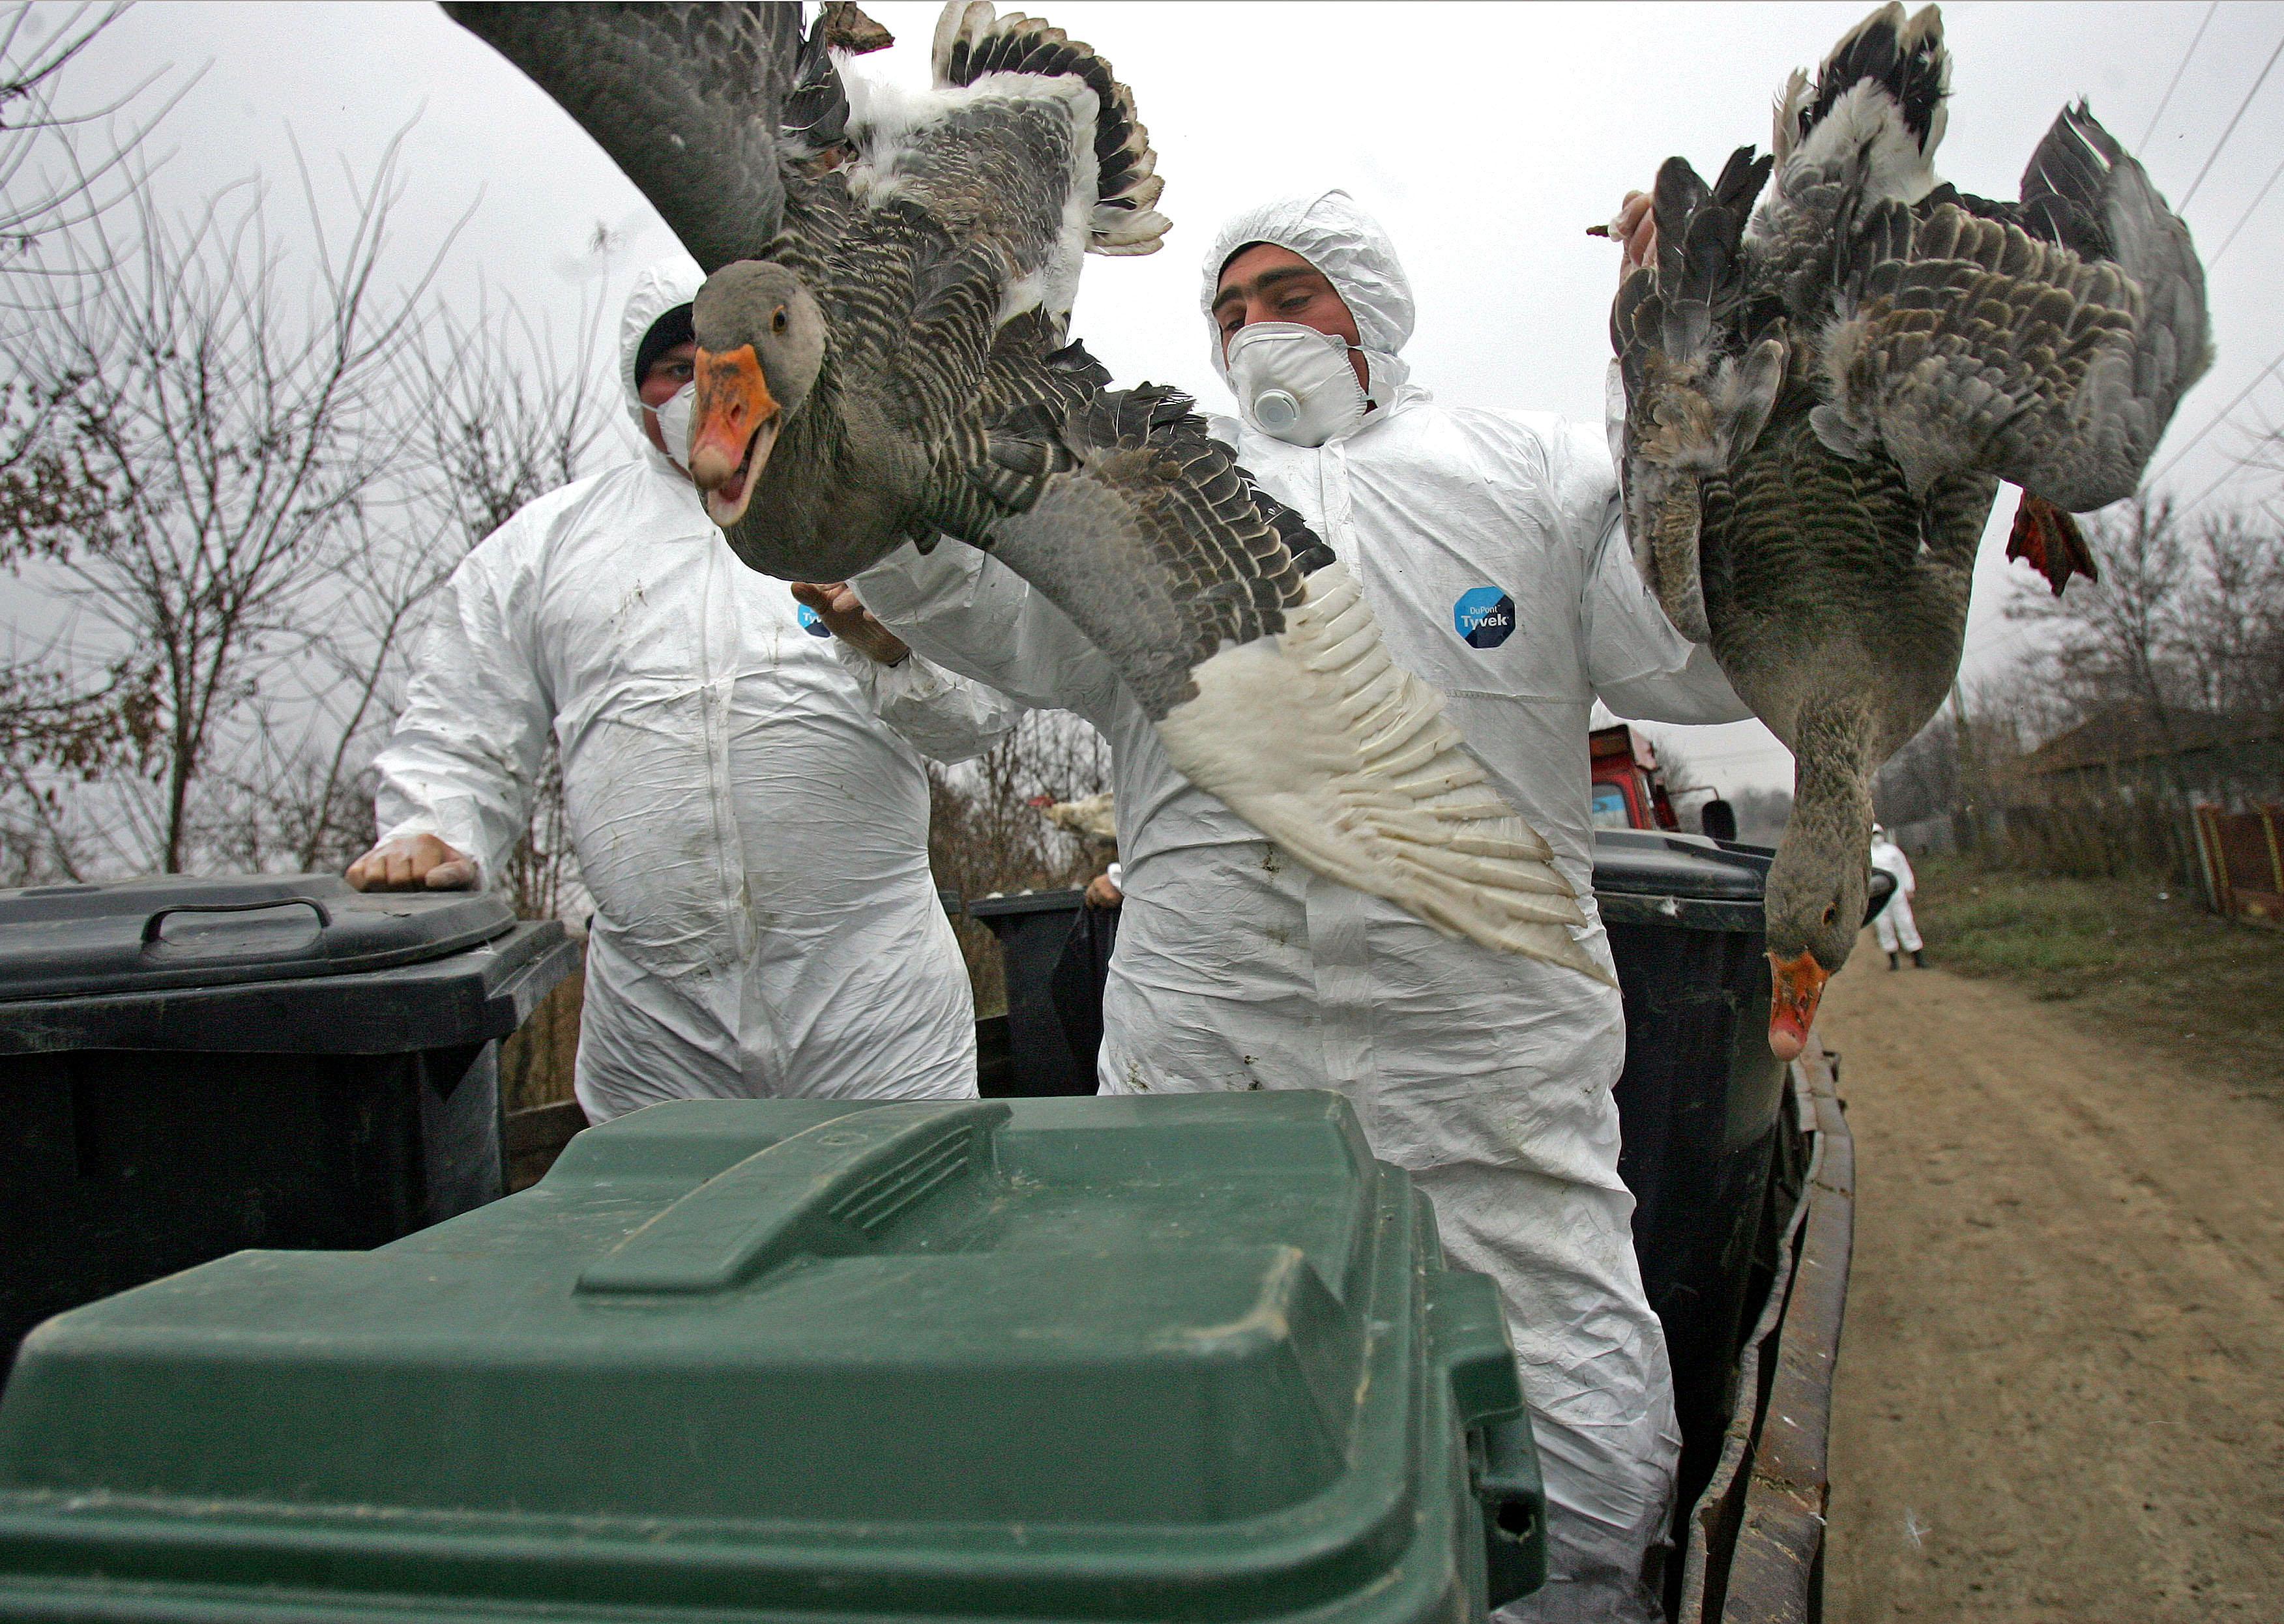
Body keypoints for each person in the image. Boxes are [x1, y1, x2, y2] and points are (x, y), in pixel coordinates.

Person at [836, 191, 1753, 1623]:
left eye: (1289, 293)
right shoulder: (1151, 492)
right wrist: (870, 475)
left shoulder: (1530, 475)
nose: (1255, 326)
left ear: (1371, 304)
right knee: (1202, 1440)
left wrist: (1691, 385)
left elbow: (1690, 650)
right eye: (1229, 305)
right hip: (1213, 1081)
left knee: (1556, 1441)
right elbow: (987, 608)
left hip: (1486, 1089)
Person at [348, 259, 1022, 1124]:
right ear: (637, 392)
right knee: (668, 1247)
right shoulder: (546, 548)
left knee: (905, 1239)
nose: (707, 384)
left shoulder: (867, 519)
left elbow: (980, 718)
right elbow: (461, 727)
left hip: (875, 1005)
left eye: (730, 357)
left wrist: (895, 651)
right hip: (657, 1036)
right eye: (679, 365)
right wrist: (430, 826)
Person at [1869, 824, 1925, 969]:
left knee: (1906, 923)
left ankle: (1917, 957)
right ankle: (1893, 961)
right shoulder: (1866, 854)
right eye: (1873, 834)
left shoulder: (1893, 851)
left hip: (1898, 895)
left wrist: (1909, 888)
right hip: (1878, 899)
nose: (1876, 837)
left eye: (1878, 833)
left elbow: (1904, 869)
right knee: (1884, 927)